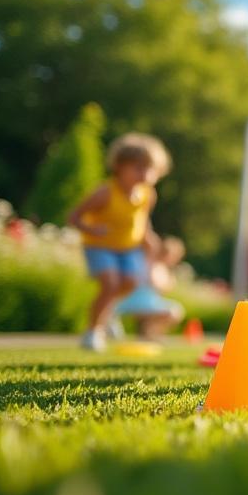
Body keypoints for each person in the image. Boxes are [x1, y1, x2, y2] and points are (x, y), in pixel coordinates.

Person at [69, 133, 172, 352]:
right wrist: (90, 228)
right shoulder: (105, 193)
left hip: (128, 247)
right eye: (137, 167)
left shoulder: (147, 194)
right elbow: (74, 217)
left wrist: (148, 237)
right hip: (100, 245)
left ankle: (108, 313)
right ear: (118, 166)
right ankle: (92, 333)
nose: (144, 174)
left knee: (131, 282)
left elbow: (142, 220)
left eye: (150, 169)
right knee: (110, 284)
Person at [112, 234, 186, 339]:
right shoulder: (153, 263)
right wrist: (167, 283)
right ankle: (149, 334)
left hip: (145, 302)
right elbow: (156, 284)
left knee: (171, 310)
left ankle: (148, 334)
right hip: (137, 302)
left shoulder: (159, 266)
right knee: (174, 312)